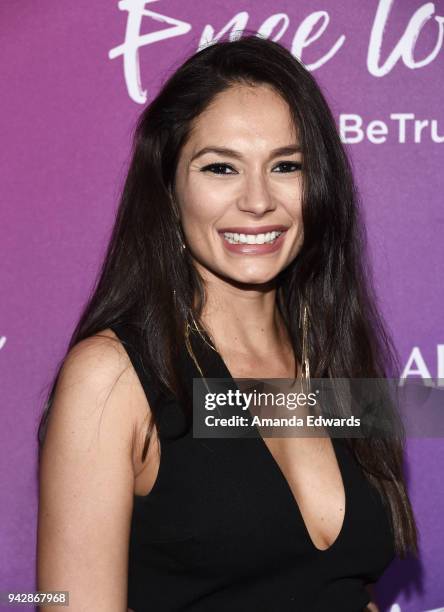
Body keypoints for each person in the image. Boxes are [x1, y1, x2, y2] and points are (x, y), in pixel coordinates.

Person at [36, 34, 418, 611]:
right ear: (169, 187)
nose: (258, 200)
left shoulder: (333, 354)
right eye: (221, 168)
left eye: (287, 165)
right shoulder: (112, 378)